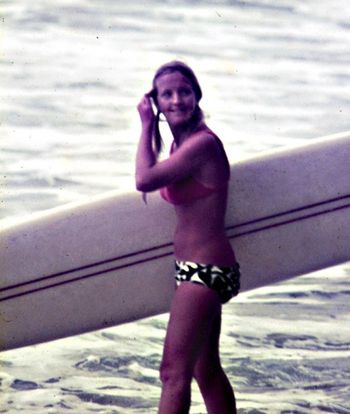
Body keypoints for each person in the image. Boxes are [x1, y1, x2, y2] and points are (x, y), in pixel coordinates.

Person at [136, 61, 240, 414]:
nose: (177, 100)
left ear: (197, 96)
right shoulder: (182, 146)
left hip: (204, 271)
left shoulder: (202, 145)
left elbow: (144, 179)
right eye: (167, 94)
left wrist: (147, 123)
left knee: (172, 373)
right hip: (197, 270)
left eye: (184, 91)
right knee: (204, 369)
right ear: (157, 99)